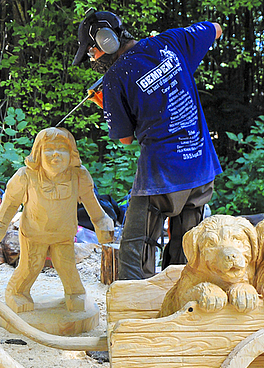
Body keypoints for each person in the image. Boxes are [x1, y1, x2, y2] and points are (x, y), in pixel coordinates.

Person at [72, 11, 223, 280]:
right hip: (201, 167)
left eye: (92, 51)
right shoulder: (171, 42)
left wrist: (104, 101)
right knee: (187, 247)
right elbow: (216, 28)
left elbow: (125, 138)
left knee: (136, 246)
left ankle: (133, 309)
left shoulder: (115, 78)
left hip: (163, 172)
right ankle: (181, 301)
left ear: (106, 41)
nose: (93, 59)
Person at [0, 127, 114, 313]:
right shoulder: (25, 176)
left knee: (67, 266)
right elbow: (10, 203)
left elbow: (93, 205)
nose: (56, 155)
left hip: (64, 235)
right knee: (30, 266)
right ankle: (17, 294)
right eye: (49, 149)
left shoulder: (79, 176)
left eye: (62, 148)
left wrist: (102, 222)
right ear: (38, 153)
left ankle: (75, 294)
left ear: (72, 153)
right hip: (34, 234)